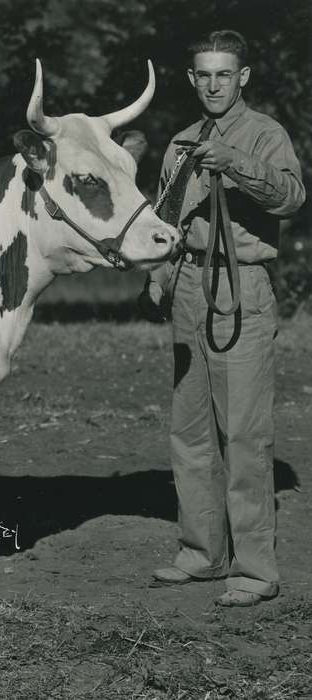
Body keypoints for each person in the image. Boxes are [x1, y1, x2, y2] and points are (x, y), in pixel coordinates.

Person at [140, 30, 305, 606]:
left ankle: (255, 571)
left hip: (242, 286)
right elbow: (166, 216)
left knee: (242, 431)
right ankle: (202, 552)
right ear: (193, 79)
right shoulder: (180, 142)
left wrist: (234, 162)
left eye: (224, 74)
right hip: (189, 284)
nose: (214, 85)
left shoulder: (265, 133)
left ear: (243, 77)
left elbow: (291, 197)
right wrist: (158, 277)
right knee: (189, 430)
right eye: (204, 75)